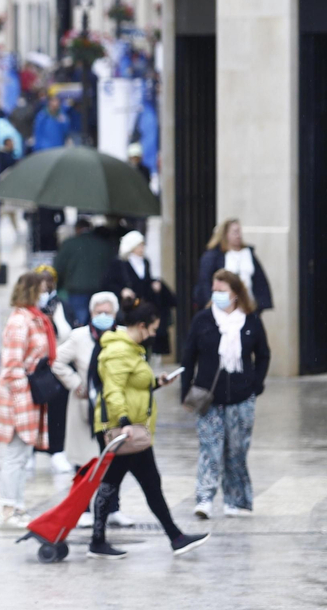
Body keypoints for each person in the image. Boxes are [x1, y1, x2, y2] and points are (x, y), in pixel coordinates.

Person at [89, 299, 209, 559]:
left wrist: (157, 382)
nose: (154, 334)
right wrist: (122, 423)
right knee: (116, 483)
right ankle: (99, 542)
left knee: (145, 482)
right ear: (141, 326)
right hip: (123, 430)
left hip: (132, 429)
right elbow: (113, 389)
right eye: (153, 329)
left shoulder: (131, 349)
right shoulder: (120, 350)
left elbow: (133, 384)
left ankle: (174, 537)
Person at [182, 270, 269, 520]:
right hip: (208, 397)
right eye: (215, 291)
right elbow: (189, 358)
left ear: (235, 293)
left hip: (242, 397)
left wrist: (256, 385)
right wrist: (186, 391)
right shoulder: (203, 321)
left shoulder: (250, 321)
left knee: (236, 450)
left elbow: (263, 354)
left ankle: (236, 500)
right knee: (210, 449)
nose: (218, 295)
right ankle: (205, 498)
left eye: (223, 291)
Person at [51, 291, 131, 529]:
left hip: (115, 409)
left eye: (108, 312)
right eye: (99, 312)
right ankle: (83, 509)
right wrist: (77, 384)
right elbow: (57, 362)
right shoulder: (79, 337)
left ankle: (113, 508)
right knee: (85, 463)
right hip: (86, 408)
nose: (103, 316)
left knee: (114, 460)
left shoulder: (124, 336)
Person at [0, 274, 57, 530]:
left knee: (22, 454)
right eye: (41, 290)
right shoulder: (20, 322)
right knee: (15, 455)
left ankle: (17, 506)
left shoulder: (35, 319)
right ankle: (8, 509)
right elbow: (11, 366)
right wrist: (25, 396)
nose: (44, 294)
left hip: (29, 394)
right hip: (19, 397)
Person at [31, 266, 73, 475]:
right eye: (41, 280)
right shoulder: (29, 308)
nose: (45, 285)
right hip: (34, 367)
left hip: (57, 366)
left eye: (49, 280)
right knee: (32, 410)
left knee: (58, 410)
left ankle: (57, 451)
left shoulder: (63, 305)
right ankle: (30, 451)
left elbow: (70, 333)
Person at [194, 218, 274, 312]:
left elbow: (259, 280)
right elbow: (205, 280)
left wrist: (260, 303)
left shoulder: (248, 253)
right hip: (224, 305)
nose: (238, 235)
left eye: (239, 231)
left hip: (247, 304)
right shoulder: (214, 256)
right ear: (225, 234)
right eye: (235, 232)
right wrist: (210, 303)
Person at [53, 218, 119, 328]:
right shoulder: (103, 244)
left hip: (77, 291)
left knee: (79, 324)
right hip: (99, 290)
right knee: (100, 324)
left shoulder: (69, 244)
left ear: (77, 229)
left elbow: (58, 268)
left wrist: (58, 286)